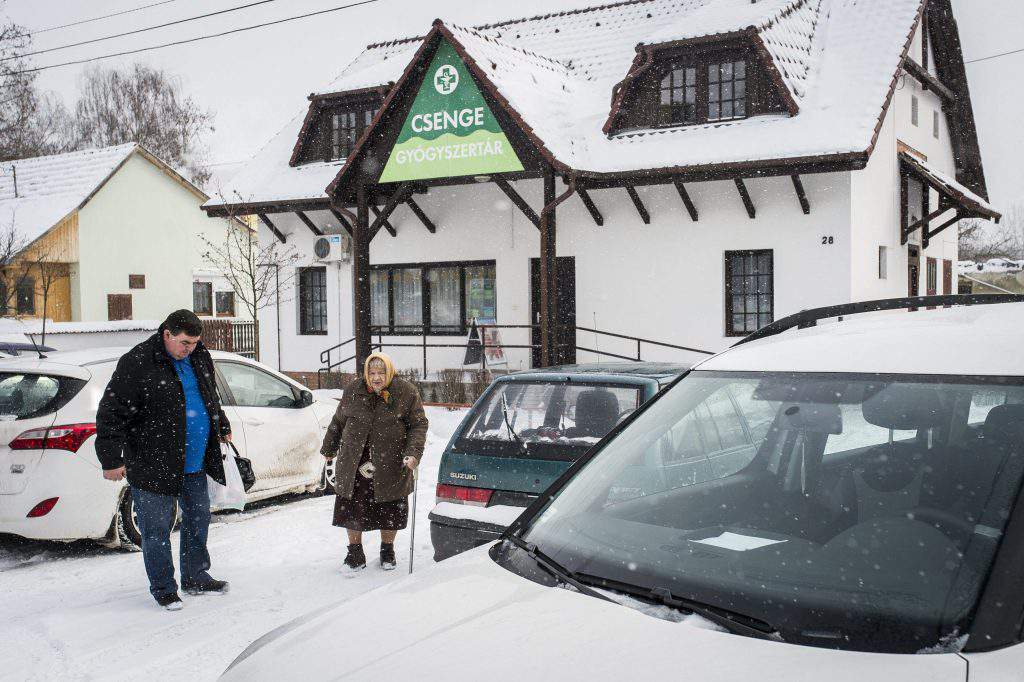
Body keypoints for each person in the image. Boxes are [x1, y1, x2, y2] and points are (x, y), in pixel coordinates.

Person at [96, 309, 233, 610]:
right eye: (185, 342)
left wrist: (219, 421)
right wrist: (110, 459)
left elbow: (209, 395)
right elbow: (110, 412)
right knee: (157, 530)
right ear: (167, 334)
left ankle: (196, 576)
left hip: (195, 461)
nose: (190, 349)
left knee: (198, 519)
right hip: (152, 462)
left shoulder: (198, 356)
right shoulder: (139, 361)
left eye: (195, 342)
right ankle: (164, 588)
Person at [321, 352, 428, 572]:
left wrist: (413, 453)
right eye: (372, 373)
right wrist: (329, 446)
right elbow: (338, 420)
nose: (376, 378)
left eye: (381, 373)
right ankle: (355, 552)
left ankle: (387, 549)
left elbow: (418, 425)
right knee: (352, 507)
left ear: (390, 372)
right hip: (354, 461)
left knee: (390, 508)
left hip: (390, 462)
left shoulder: (405, 392)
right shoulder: (354, 390)